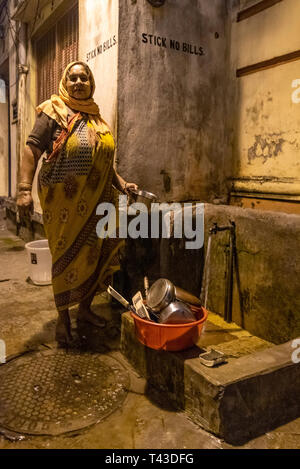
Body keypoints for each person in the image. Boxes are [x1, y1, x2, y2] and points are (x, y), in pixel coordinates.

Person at [17, 61, 138, 344]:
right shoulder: (54, 111)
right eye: (73, 78)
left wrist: (121, 184)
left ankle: (84, 310)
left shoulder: (96, 117)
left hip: (98, 203)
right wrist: (24, 190)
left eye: (84, 78)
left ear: (91, 83)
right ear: (65, 82)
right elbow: (31, 150)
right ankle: (63, 318)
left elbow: (103, 162)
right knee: (64, 257)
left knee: (94, 256)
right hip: (64, 204)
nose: (78, 82)